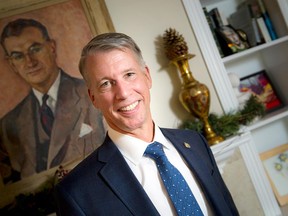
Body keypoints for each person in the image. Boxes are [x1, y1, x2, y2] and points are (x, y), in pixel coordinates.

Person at [54, 32, 239, 216]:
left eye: (129, 74)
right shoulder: (77, 192)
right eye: (106, 84)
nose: (124, 93)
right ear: (93, 97)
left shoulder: (196, 143)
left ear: (147, 76)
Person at [0, 18, 106, 184]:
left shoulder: (92, 93)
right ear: (11, 64)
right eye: (18, 56)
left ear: (51, 47)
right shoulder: (8, 125)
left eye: (35, 49)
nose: (30, 62)